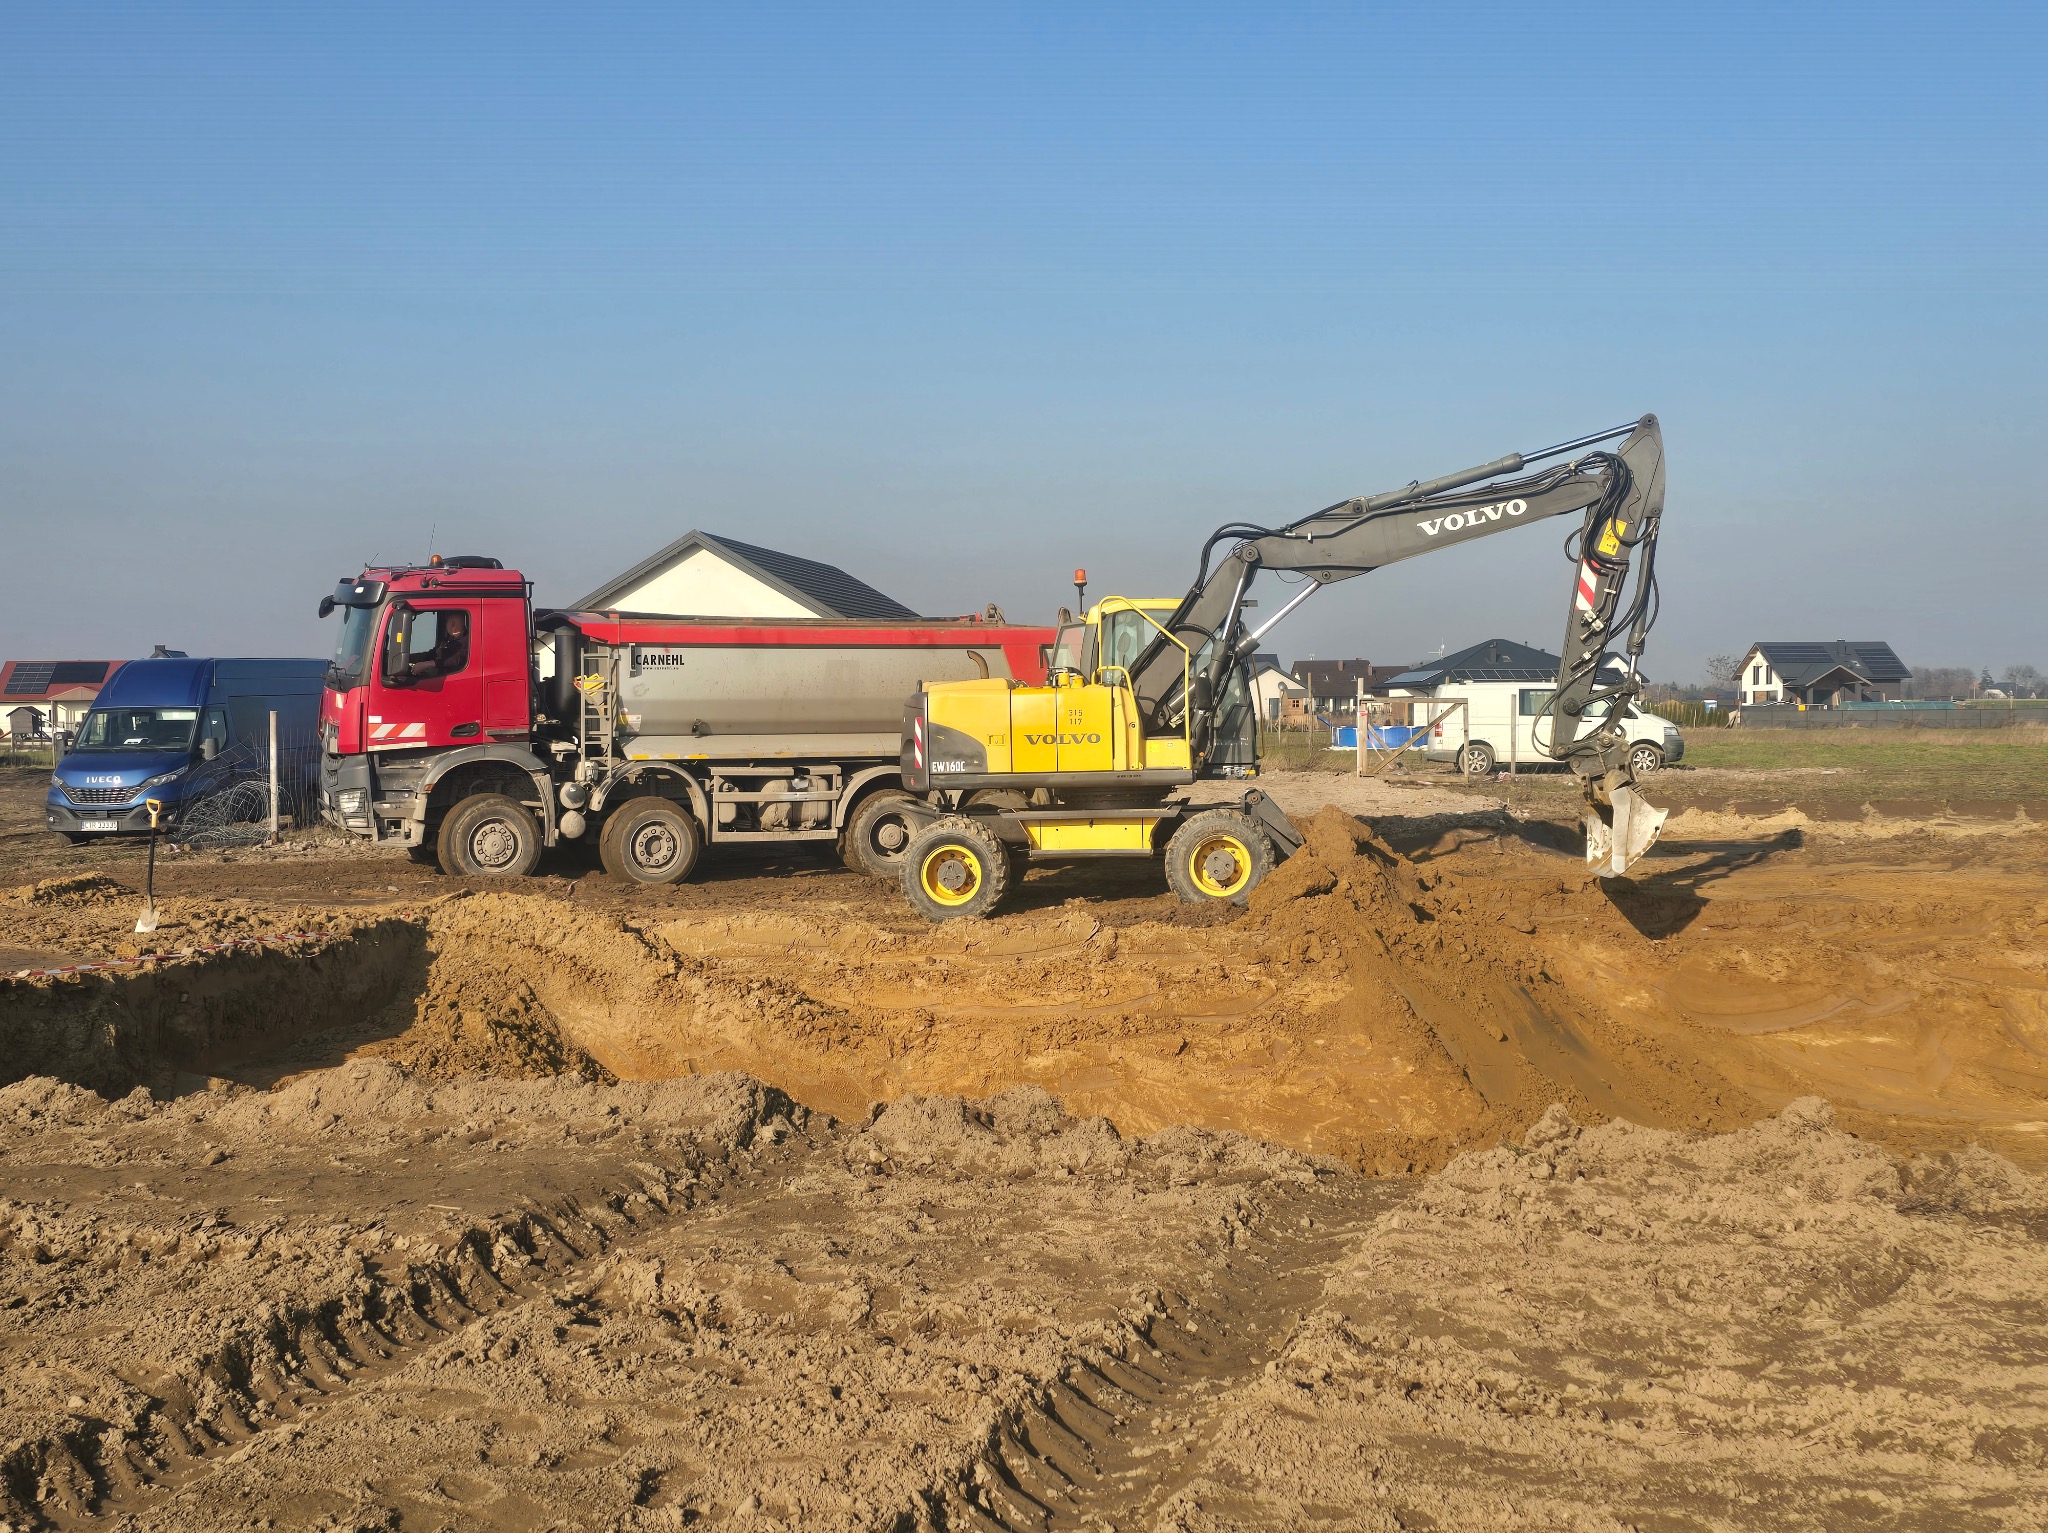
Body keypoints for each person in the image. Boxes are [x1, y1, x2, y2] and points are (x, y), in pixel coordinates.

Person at [408, 609, 471, 679]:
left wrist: (428, 664)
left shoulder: (469, 641)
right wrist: (407, 658)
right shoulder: (448, 640)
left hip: (451, 680)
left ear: (453, 623)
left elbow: (456, 659)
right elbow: (430, 654)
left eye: (448, 620)